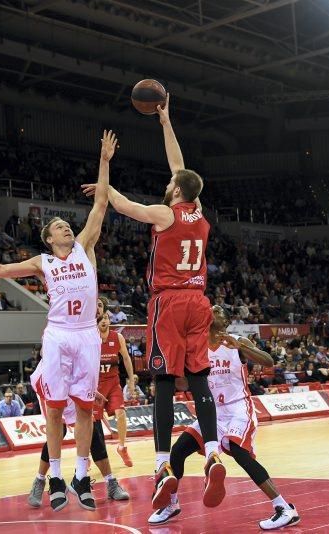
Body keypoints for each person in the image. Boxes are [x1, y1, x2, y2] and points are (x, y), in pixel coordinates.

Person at [0, 130, 117, 512]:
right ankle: (56, 475)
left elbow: (99, 203)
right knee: (57, 409)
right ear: (48, 239)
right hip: (60, 334)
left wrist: (105, 160)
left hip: (87, 336)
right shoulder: (41, 263)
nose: (65, 226)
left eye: (66, 224)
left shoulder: (85, 248)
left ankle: (81, 475)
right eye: (58, 226)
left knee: (85, 410)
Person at [82, 96, 224, 510]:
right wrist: (166, 122)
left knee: (163, 382)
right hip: (201, 301)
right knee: (198, 380)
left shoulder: (167, 215)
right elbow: (179, 167)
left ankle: (162, 464)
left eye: (173, 184)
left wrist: (104, 182)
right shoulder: (199, 211)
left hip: (170, 301)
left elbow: (123, 206)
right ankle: (213, 452)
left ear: (176, 191)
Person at [149, 306, 299, 529]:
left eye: (218, 311)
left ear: (225, 320)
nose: (213, 312)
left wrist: (242, 348)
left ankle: (284, 508)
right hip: (212, 412)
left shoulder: (238, 342)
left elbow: (268, 361)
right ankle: (171, 504)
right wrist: (171, 375)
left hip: (238, 408)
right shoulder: (197, 348)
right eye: (211, 310)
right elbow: (183, 385)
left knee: (239, 452)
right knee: (178, 451)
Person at [28, 364, 130, 509]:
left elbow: (82, 365)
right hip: (50, 382)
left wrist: (91, 391)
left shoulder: (91, 343)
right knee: (59, 430)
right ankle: (40, 480)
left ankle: (110, 482)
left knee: (93, 430)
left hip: (73, 383)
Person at [97, 299, 137, 467]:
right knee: (92, 422)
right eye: (102, 318)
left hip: (113, 383)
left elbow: (127, 359)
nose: (105, 320)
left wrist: (131, 382)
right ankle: (90, 454)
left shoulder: (117, 337)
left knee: (121, 413)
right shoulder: (91, 337)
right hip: (96, 385)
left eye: (107, 317)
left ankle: (122, 447)